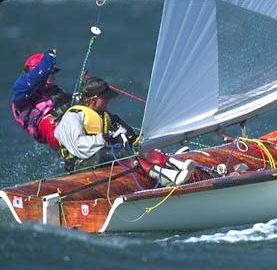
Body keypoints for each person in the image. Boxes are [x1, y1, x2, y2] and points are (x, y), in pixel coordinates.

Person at [55, 76, 195, 186]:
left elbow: (132, 137)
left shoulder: (106, 116)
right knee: (121, 151)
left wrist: (138, 141)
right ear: (93, 99)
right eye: (105, 98)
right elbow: (78, 145)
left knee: (136, 147)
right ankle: (167, 177)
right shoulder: (72, 117)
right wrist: (103, 138)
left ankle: (175, 164)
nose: (108, 102)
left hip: (103, 157)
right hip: (80, 165)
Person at [11, 49, 71, 149]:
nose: (52, 77)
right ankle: (68, 152)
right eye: (49, 73)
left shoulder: (53, 90)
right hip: (43, 127)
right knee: (48, 122)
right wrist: (50, 55)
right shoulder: (21, 88)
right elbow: (39, 75)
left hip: (59, 125)